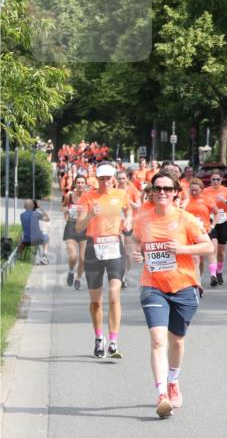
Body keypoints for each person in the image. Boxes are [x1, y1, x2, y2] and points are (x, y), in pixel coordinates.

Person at [132, 172, 213, 418]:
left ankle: (173, 380)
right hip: (153, 286)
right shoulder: (143, 219)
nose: (162, 193)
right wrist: (135, 252)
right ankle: (162, 395)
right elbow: (134, 241)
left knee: (176, 341)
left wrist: (182, 249)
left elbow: (208, 246)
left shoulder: (186, 219)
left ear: (176, 192)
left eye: (168, 189)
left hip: (183, 286)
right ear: (151, 191)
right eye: (158, 188)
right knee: (158, 340)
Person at [76, 163, 132, 359]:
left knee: (114, 295)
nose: (105, 182)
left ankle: (113, 342)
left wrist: (129, 219)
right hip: (94, 249)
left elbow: (128, 210)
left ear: (113, 178)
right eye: (101, 178)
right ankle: (99, 338)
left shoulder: (121, 194)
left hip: (115, 247)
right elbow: (78, 227)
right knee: (96, 301)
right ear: (97, 179)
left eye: (108, 178)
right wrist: (91, 215)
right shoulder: (87, 198)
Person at [202, 170, 227, 286]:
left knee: (221, 252)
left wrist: (225, 201)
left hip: (224, 222)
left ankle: (219, 272)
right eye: (213, 179)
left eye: (218, 179)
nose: (216, 181)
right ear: (210, 180)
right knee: (213, 248)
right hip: (211, 222)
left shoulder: (226, 191)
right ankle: (213, 276)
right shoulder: (206, 191)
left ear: (221, 179)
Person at [184, 178, 218, 277]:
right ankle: (196, 280)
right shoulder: (186, 200)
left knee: (202, 259)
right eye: (192, 190)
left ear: (201, 189)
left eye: (196, 190)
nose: (194, 192)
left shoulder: (206, 199)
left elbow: (217, 213)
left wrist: (212, 225)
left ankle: (201, 278)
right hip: (190, 232)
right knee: (195, 258)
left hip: (204, 231)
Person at [62, 173, 88, 287]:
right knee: (73, 256)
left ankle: (78, 279)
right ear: (75, 184)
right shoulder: (69, 195)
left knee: (83, 258)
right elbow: (63, 206)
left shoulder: (89, 197)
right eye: (78, 183)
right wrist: (66, 212)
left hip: (84, 228)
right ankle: (71, 271)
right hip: (71, 227)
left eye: (82, 183)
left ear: (85, 184)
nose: (80, 185)